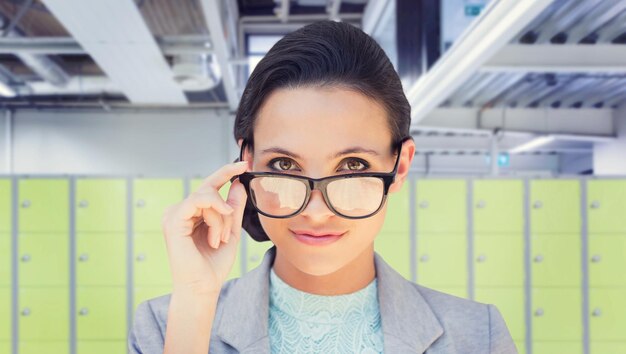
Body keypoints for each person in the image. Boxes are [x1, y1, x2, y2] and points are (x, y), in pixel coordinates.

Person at [128, 20, 517, 354]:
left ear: (400, 167)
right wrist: (195, 300)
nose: (315, 211)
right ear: (244, 163)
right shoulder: (167, 326)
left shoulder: (475, 335)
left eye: (352, 166)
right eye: (284, 165)